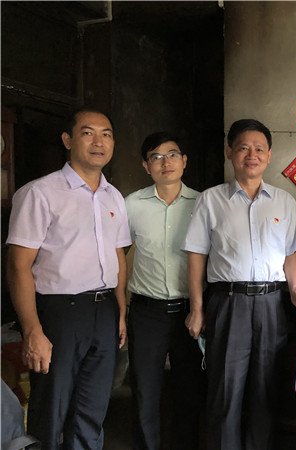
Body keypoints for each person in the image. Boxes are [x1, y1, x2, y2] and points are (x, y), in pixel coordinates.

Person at [181, 118, 296, 450]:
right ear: (230, 152)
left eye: (259, 149)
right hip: (229, 302)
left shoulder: (284, 202)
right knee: (225, 391)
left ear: (269, 155)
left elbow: (291, 253)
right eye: (243, 148)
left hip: (272, 304)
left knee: (265, 391)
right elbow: (196, 256)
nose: (251, 155)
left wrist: (295, 289)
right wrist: (197, 309)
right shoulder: (211, 200)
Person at [6, 107, 131, 449]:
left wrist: (120, 311)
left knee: (92, 408)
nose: (99, 142)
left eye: (106, 134)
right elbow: (18, 266)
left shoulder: (114, 197)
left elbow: (119, 257)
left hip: (104, 310)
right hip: (60, 312)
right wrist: (32, 330)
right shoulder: (40, 193)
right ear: (67, 140)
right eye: (88, 133)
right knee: (53, 406)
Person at [124, 132, 203, 450]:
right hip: (147, 312)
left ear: (184, 161)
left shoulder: (203, 203)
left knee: (190, 389)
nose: (165, 162)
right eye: (156, 157)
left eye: (172, 154)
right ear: (146, 166)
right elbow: (117, 255)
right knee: (145, 389)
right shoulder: (132, 204)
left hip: (190, 311)